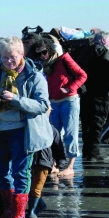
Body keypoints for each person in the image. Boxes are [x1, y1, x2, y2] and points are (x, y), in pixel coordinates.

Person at [0, 36, 53, 218]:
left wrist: (17, 99)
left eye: (12, 57)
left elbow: (43, 105)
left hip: (22, 131)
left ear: (22, 54)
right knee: (0, 171)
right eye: (4, 58)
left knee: (21, 173)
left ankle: (19, 217)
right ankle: (9, 212)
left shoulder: (34, 75)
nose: (8, 61)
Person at [41, 38, 86, 177]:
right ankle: (55, 164)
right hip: (53, 102)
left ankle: (70, 166)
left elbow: (82, 75)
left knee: (70, 133)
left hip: (69, 100)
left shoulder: (65, 59)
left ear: (51, 50)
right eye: (39, 54)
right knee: (54, 134)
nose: (42, 56)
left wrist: (70, 88)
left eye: (44, 52)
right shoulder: (46, 65)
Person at [77, 32, 109, 160]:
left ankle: (87, 151)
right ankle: (94, 152)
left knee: (86, 123)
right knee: (97, 123)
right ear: (103, 41)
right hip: (100, 94)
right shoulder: (105, 53)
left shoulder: (83, 51)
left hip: (85, 93)